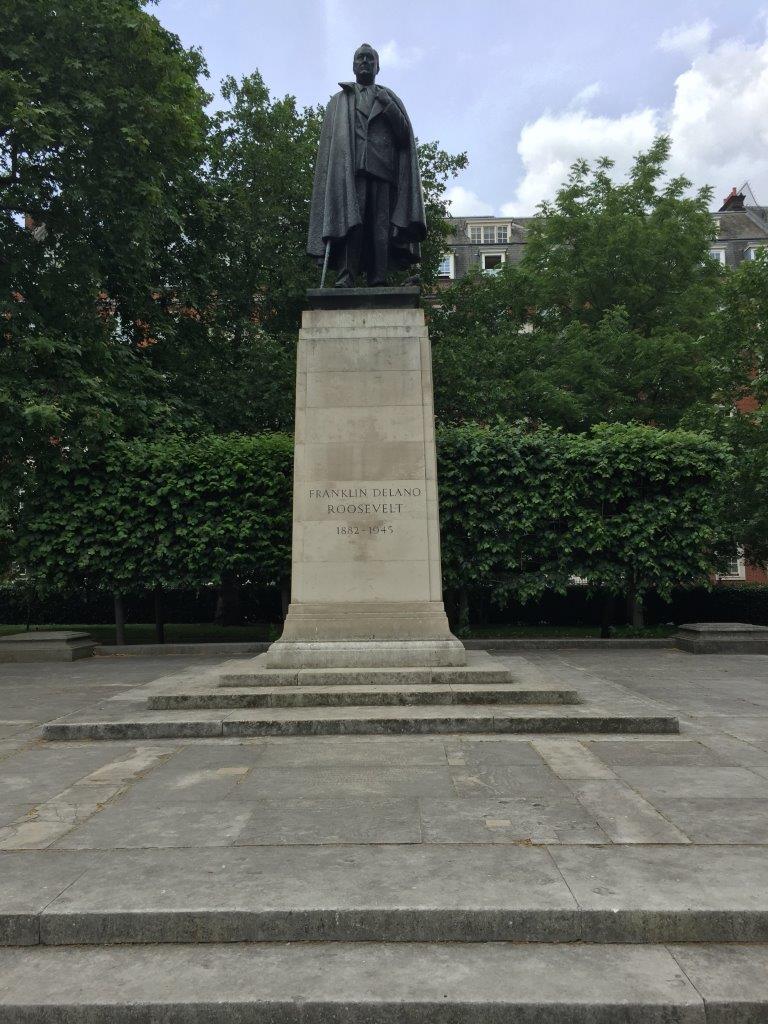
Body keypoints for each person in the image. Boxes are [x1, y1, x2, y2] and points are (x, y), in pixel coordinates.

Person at [307, 43, 427, 287]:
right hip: (349, 172)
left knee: (380, 227)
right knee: (352, 224)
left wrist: (388, 106)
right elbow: (331, 147)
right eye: (360, 58)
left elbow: (404, 136)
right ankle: (346, 277)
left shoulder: (390, 97)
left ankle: (378, 278)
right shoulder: (339, 102)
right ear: (353, 66)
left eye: (369, 59)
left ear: (377, 66)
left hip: (383, 172)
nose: (364, 62)